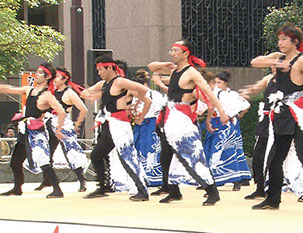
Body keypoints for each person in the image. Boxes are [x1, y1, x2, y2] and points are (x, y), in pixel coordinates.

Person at [148, 39, 229, 206]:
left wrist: (221, 111)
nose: (172, 53)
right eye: (172, 50)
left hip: (182, 117)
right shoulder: (174, 71)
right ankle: (174, 190)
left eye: (176, 50)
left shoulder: (191, 73)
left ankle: (212, 191)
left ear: (186, 53)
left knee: (193, 154)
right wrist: (167, 63)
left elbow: (209, 93)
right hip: (170, 116)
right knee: (169, 155)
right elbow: (151, 67)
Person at [80, 56, 152, 201]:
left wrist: (136, 109)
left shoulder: (120, 82)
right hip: (110, 124)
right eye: (98, 69)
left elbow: (144, 91)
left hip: (120, 124)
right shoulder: (104, 84)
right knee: (96, 155)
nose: (99, 72)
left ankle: (142, 190)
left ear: (110, 67)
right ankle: (102, 187)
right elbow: (86, 93)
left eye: (101, 69)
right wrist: (86, 93)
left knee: (128, 157)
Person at [250, 22, 303, 209]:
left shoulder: (301, 60)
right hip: (282, 115)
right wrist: (276, 62)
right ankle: (273, 199)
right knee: (275, 158)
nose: (280, 42)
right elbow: (254, 62)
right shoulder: (278, 58)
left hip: (299, 114)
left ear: (294, 41)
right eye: (279, 39)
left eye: (284, 39)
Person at [0, 63, 66, 198]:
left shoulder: (47, 95)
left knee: (44, 161)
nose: (36, 74)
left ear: (48, 77)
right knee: (15, 162)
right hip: (25, 131)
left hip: (37, 133)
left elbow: (61, 111)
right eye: (37, 72)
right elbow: (10, 88)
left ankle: (57, 189)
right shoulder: (30, 90)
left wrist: (59, 129)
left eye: (40, 72)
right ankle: (17, 188)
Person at [203, 71, 251, 191]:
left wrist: (233, 115)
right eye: (216, 82)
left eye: (219, 82)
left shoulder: (226, 94)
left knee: (227, 150)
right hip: (219, 122)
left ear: (225, 83)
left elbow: (244, 105)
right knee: (216, 150)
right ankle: (218, 178)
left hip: (225, 123)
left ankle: (235, 179)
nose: (217, 84)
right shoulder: (218, 93)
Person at [239, 71, 277, 199]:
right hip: (266, 121)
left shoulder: (292, 78)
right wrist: (247, 92)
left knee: (291, 156)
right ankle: (260, 187)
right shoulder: (269, 78)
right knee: (258, 156)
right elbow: (257, 87)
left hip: (284, 120)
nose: (274, 68)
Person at [130, 69, 166, 187]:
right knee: (138, 147)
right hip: (139, 125)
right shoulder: (136, 96)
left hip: (151, 123)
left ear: (145, 85)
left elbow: (161, 108)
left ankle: (154, 177)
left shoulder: (154, 94)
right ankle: (140, 176)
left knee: (151, 149)